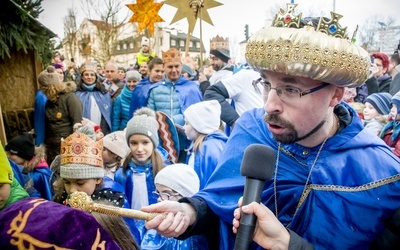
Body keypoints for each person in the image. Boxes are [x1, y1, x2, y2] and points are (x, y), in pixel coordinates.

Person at [142, 5, 400, 249]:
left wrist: (290, 245)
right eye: (266, 84)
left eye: (290, 89)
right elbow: (221, 201)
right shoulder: (251, 129)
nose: (269, 105)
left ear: (336, 95)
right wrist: (191, 212)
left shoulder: (384, 175)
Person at [55, 125, 141, 242]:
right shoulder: (62, 196)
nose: (72, 190)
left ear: (98, 179)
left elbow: (130, 239)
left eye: (80, 183)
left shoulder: (113, 200)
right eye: (67, 182)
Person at [114, 107, 168, 241]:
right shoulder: (121, 174)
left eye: (145, 142)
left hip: (160, 232)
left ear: (153, 143)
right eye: (134, 143)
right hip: (131, 232)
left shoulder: (165, 172)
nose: (139, 149)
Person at [147, 48, 203, 162]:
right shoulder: (155, 90)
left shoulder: (192, 88)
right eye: (170, 67)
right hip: (162, 143)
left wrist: (175, 121)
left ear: (181, 66)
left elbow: (198, 116)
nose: (174, 70)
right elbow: (150, 115)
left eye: (177, 66)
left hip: (186, 143)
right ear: (164, 67)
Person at [140, 163, 209, 249]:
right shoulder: (152, 230)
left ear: (186, 197)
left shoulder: (197, 236)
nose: (159, 199)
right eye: (158, 193)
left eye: (167, 193)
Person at [39, 67, 83, 165]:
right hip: (53, 148)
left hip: (68, 147)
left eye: (44, 88)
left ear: (50, 87)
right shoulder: (49, 102)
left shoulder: (70, 98)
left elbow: (77, 122)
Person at [183, 100, 228, 189]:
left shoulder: (210, 148)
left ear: (198, 125)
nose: (184, 127)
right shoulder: (200, 145)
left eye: (187, 123)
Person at [76, 62, 112, 135]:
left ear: (96, 77)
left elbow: (108, 113)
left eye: (92, 75)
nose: (89, 77)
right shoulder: (76, 94)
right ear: (82, 77)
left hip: (102, 131)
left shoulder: (103, 92)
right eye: (86, 74)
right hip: (83, 132)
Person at [380, 91, 400, 158]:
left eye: (396, 107)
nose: (392, 110)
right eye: (392, 106)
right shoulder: (390, 125)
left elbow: (397, 155)